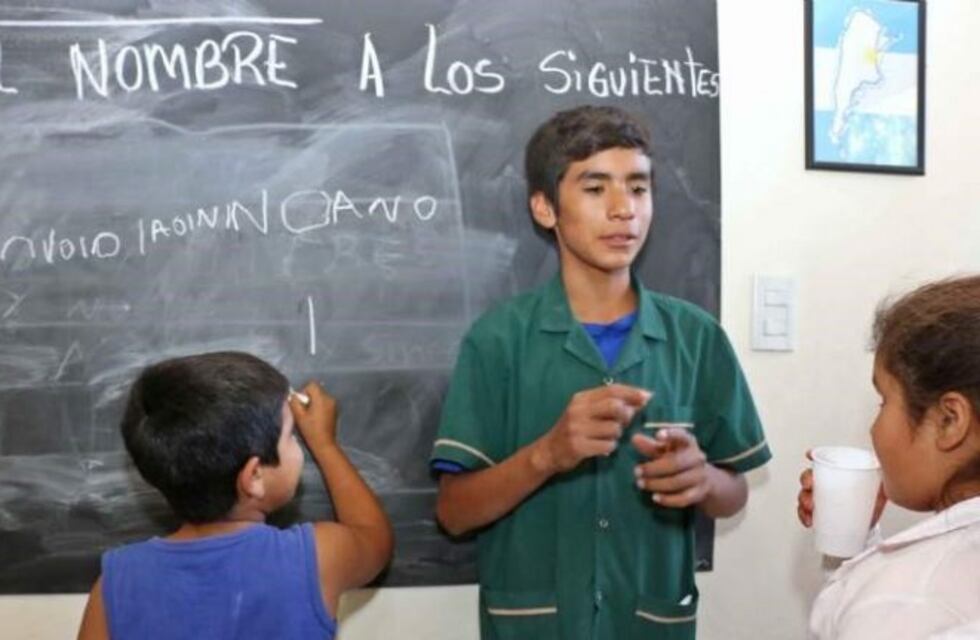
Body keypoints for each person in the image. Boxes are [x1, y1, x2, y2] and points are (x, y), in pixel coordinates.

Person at [430, 105, 770, 639]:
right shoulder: (497, 342)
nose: (623, 210)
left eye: (638, 188)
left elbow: (735, 492)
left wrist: (700, 478)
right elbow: (454, 513)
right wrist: (546, 455)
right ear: (545, 208)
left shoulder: (695, 338)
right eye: (595, 189)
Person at [76, 351, 393, 639]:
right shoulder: (313, 558)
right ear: (254, 477)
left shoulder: (115, 586)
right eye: (290, 436)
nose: (298, 443)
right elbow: (374, 538)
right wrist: (324, 444)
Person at [797, 275, 980, 639]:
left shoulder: (906, 599)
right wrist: (852, 542)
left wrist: (873, 577)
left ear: (949, 421)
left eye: (884, 401)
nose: (874, 428)